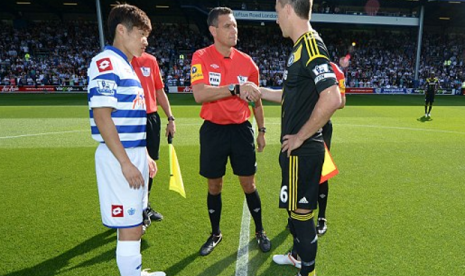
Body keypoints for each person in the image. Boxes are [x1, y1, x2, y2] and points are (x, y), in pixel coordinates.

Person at [254, 0, 342, 275]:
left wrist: (301, 137)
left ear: (288, 8)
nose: (276, 18)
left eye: (277, 11)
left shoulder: (312, 45)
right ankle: (295, 256)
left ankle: (309, 271)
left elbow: (332, 98)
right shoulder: (298, 50)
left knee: (303, 218)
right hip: (294, 151)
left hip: (303, 151)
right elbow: (288, 96)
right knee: (293, 213)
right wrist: (257, 91)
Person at [87, 4, 165, 276]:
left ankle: (135, 272)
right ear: (121, 30)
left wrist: (143, 154)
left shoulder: (127, 66)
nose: (146, 41)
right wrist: (125, 162)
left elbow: (128, 118)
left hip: (132, 154)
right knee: (130, 225)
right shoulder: (106, 63)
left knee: (133, 221)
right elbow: (102, 116)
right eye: (141, 34)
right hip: (119, 158)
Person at [190, 6, 271, 256]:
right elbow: (199, 94)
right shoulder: (201, 56)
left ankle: (259, 230)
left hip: (241, 131)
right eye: (227, 26)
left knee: (249, 183)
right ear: (213, 30)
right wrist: (235, 88)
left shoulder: (248, 63)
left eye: (234, 25)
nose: (234, 29)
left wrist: (261, 130)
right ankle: (215, 233)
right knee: (214, 186)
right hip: (213, 131)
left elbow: (256, 99)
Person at [132, 52, 176, 227]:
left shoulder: (150, 60)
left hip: (151, 118)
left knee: (150, 166)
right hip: (131, 118)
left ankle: (144, 206)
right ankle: (133, 210)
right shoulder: (121, 60)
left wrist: (170, 118)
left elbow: (159, 90)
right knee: (133, 164)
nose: (145, 41)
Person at [316, 61, 346, 236]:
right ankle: (299, 214)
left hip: (323, 126)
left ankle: (321, 217)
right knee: (301, 170)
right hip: (301, 124)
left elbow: (341, 102)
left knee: (322, 172)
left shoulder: (335, 70)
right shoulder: (301, 64)